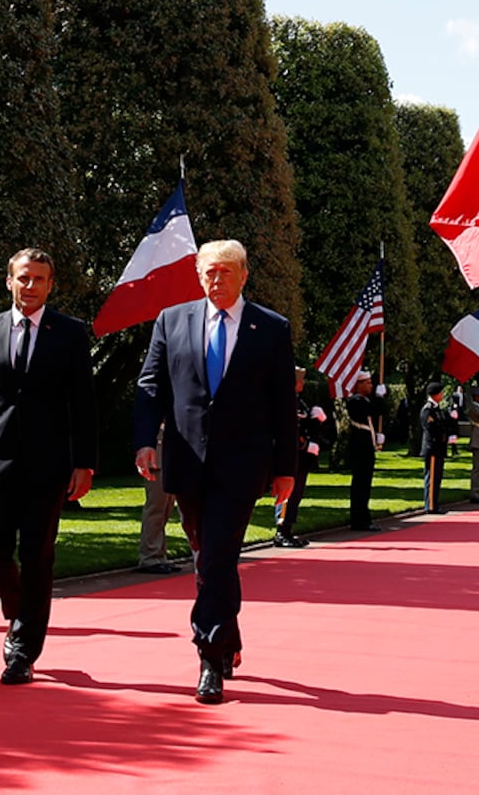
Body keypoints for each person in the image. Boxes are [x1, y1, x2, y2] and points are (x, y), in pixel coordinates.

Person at [134, 239, 295, 705]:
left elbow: (283, 404)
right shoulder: (172, 320)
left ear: (244, 275)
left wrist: (285, 468)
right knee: (208, 554)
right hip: (186, 461)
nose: (216, 280)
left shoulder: (270, 328)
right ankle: (230, 634)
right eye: (208, 272)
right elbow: (151, 385)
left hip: (242, 464)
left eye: (226, 272)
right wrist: (145, 440)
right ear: (198, 276)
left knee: (218, 554)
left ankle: (208, 657)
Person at [0, 249, 97, 685]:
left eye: (39, 279)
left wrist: (84, 464)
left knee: (37, 554)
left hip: (48, 461)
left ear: (51, 285)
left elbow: (83, 404)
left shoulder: (69, 333)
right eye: (23, 278)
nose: (30, 286)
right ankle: (17, 608)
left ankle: (23, 649)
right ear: (9, 281)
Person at [276, 366, 328, 547]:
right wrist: (305, 445)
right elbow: (288, 430)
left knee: (296, 494)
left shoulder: (299, 401)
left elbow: (303, 425)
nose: (303, 384)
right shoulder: (285, 401)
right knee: (287, 494)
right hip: (291, 455)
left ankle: (287, 530)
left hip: (301, 457)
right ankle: (281, 531)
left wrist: (314, 419)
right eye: (301, 380)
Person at [344, 371, 385, 531]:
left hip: (366, 446)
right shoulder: (355, 401)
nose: (371, 386)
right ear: (359, 385)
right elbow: (374, 410)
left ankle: (363, 518)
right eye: (367, 383)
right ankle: (358, 520)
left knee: (365, 485)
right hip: (359, 448)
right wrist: (380, 397)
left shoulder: (365, 400)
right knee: (360, 485)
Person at [418, 382, 457, 514]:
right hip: (433, 447)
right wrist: (442, 436)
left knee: (437, 477)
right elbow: (431, 429)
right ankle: (430, 505)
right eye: (441, 392)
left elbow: (444, 424)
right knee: (432, 477)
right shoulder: (428, 410)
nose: (442, 395)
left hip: (439, 448)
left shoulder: (437, 409)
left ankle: (434, 503)